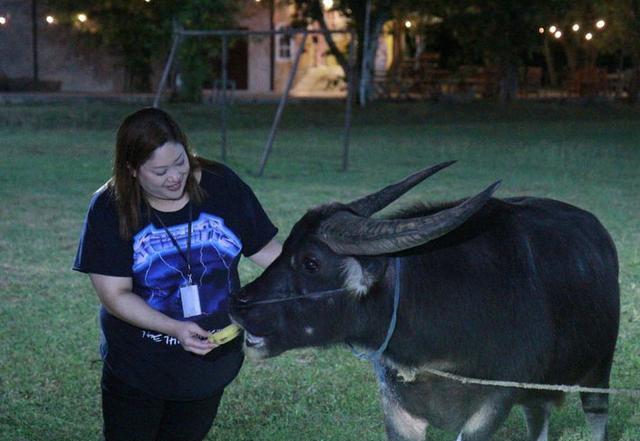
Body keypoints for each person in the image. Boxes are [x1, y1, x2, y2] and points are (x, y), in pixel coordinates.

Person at [73, 107, 281, 441]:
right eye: (159, 171)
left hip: (213, 361)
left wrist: (320, 276)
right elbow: (115, 295)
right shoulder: (109, 207)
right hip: (139, 365)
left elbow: (267, 252)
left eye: (180, 162)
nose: (174, 177)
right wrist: (174, 328)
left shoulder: (222, 185)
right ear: (131, 169)